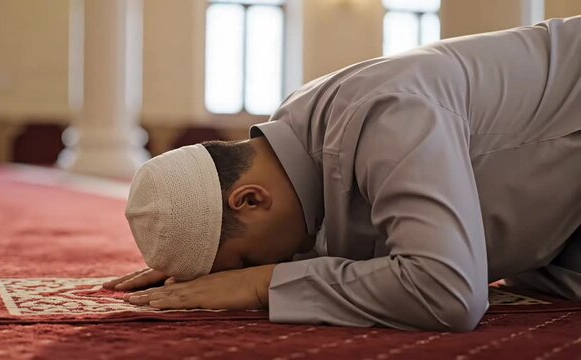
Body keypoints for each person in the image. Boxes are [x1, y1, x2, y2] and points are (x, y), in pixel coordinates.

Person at [103, 16, 581, 332]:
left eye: (247, 258)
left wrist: (259, 284)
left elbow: (448, 292)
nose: (273, 265)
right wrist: (200, 253)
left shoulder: (385, 114)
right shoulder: (296, 139)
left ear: (249, 200)